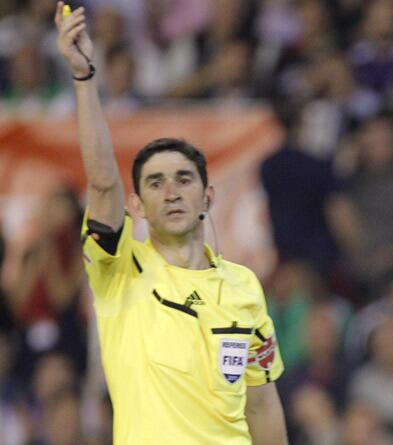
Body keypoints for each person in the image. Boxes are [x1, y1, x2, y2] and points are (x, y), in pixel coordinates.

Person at [54, 4, 287, 444]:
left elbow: (261, 402)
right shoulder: (119, 270)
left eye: (184, 179)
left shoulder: (244, 287)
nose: (172, 191)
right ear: (137, 206)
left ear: (208, 196)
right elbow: (104, 184)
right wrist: (84, 79)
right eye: (156, 184)